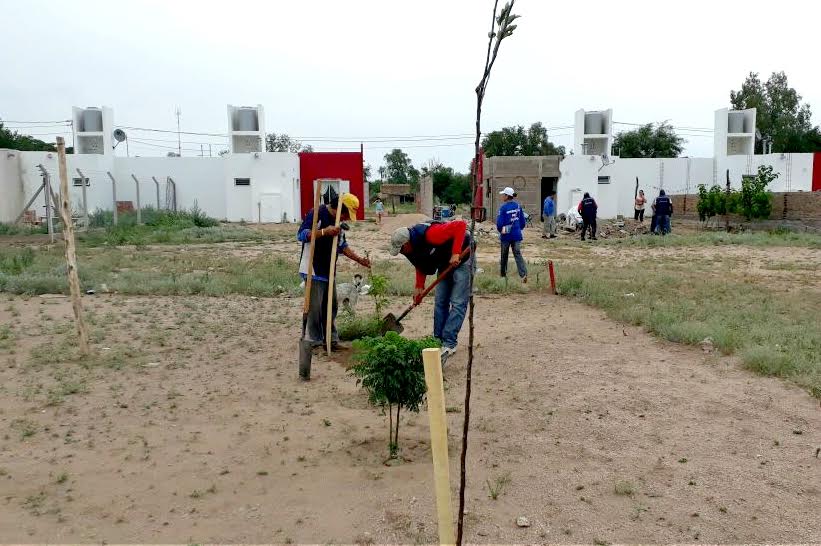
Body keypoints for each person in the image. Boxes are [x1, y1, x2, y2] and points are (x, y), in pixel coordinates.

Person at [297, 194, 370, 375]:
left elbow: (342, 246)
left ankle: (331, 339)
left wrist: (360, 260)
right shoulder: (317, 214)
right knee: (314, 307)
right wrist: (324, 232)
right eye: (346, 214)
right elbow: (302, 235)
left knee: (331, 306)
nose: (346, 218)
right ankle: (313, 341)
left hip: (329, 270)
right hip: (313, 268)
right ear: (340, 209)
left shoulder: (340, 225)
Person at [389, 220, 471, 362]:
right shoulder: (413, 247)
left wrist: (456, 253)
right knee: (440, 301)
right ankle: (437, 340)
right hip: (445, 261)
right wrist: (419, 287)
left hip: (463, 256)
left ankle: (449, 343)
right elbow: (421, 264)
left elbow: (460, 225)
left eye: (401, 249)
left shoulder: (431, 234)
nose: (401, 253)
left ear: (407, 243)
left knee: (457, 302)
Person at [496, 187, 528, 283]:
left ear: (507, 196)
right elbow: (522, 222)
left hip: (506, 234)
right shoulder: (518, 206)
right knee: (517, 254)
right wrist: (518, 229)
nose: (502, 196)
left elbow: (499, 224)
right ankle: (523, 274)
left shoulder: (503, 208)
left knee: (504, 255)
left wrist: (501, 231)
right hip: (517, 234)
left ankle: (503, 275)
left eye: (503, 195)